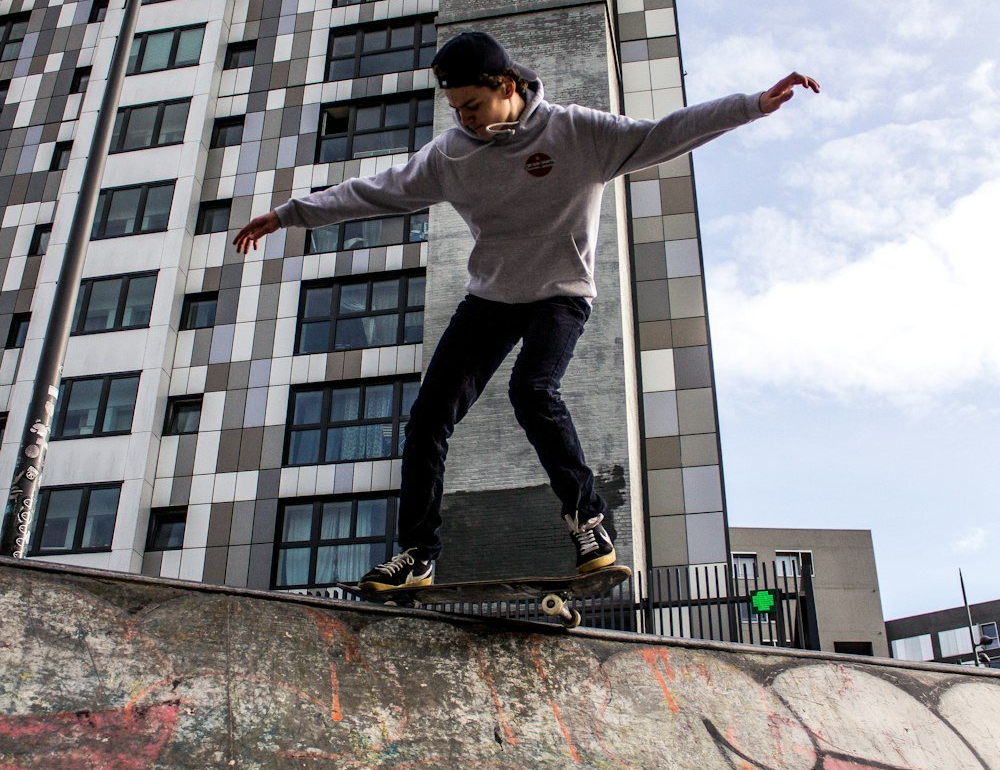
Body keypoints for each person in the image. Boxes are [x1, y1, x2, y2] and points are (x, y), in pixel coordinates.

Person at [234, 31, 819, 592]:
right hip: (491, 298)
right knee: (429, 416)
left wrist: (751, 106)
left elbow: (661, 133)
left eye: (473, 104)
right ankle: (417, 554)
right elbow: (377, 190)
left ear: (508, 84)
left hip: (560, 293)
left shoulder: (575, 132)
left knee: (532, 391)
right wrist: (291, 213)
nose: (464, 119)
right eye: (456, 108)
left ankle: (588, 522)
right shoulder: (451, 155)